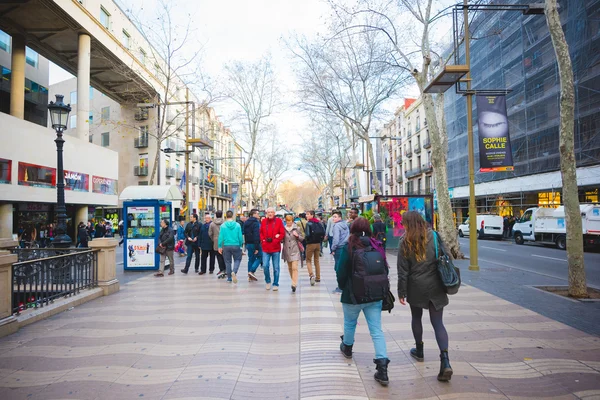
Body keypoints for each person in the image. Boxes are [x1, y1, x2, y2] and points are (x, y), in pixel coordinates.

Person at [397, 211, 453, 382]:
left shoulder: (404, 241)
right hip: (436, 284)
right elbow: (448, 256)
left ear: (408, 224)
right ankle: (445, 361)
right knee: (438, 323)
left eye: (404, 223)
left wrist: (401, 292)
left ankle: (419, 350)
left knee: (416, 317)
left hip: (416, 286)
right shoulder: (434, 236)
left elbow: (403, 271)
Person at [335, 217, 390, 386]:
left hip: (353, 295)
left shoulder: (348, 247)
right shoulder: (377, 246)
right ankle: (382, 369)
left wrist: (344, 287)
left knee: (350, 323)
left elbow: (340, 271)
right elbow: (385, 269)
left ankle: (348, 347)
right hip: (374, 295)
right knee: (376, 330)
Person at [260, 207, 285, 291]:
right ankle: (268, 281)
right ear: (266, 213)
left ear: (274, 213)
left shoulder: (279, 221)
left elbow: (282, 233)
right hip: (265, 248)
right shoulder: (263, 221)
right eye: (268, 212)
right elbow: (261, 233)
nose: (270, 214)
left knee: (276, 267)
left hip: (275, 248)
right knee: (265, 265)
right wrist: (263, 240)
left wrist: (275, 240)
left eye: (271, 212)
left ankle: (275, 283)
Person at [218, 210, 244, 283]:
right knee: (237, 259)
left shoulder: (223, 226)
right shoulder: (237, 225)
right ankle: (234, 271)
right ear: (232, 216)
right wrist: (241, 245)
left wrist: (219, 246)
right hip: (236, 245)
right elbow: (240, 237)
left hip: (226, 245)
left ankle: (229, 278)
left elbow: (220, 237)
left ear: (226, 216)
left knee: (227, 262)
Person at [282, 214, 305, 293]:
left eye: (290, 221)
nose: (289, 223)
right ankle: (293, 280)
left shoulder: (297, 228)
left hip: (295, 250)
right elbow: (282, 240)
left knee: (294, 267)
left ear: (292, 221)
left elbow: (302, 238)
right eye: (287, 221)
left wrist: (297, 236)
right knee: (290, 268)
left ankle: (294, 284)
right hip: (287, 251)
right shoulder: (283, 229)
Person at [331, 210, 350, 293]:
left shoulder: (336, 226)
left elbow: (336, 239)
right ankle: (345, 285)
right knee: (344, 266)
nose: (333, 218)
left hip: (338, 248)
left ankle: (340, 287)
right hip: (345, 246)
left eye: (335, 217)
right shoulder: (345, 224)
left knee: (338, 267)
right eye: (333, 217)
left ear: (339, 217)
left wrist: (333, 249)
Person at [305, 210, 325, 285]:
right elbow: (323, 232)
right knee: (316, 260)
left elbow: (307, 234)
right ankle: (318, 277)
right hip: (318, 244)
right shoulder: (319, 223)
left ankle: (311, 275)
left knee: (308, 260)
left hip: (310, 244)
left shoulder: (308, 223)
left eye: (308, 214)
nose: (306, 215)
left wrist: (306, 241)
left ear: (312, 215)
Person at [243, 209, 262, 281]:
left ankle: (250, 276)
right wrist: (257, 247)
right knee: (260, 257)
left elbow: (244, 233)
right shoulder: (256, 223)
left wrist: (246, 243)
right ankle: (252, 271)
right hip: (255, 243)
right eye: (257, 213)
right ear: (253, 214)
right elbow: (256, 235)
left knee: (250, 259)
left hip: (248, 243)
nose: (258, 215)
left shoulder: (246, 222)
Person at [209, 211, 226, 277]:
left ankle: (221, 269)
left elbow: (210, 233)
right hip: (224, 241)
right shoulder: (225, 223)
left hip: (216, 241)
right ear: (222, 215)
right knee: (225, 256)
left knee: (219, 256)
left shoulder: (212, 224)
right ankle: (226, 269)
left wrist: (213, 239)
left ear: (216, 215)